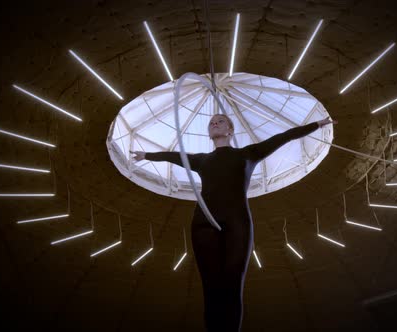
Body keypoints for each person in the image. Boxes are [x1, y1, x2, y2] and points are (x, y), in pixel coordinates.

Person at [130, 114, 335, 332]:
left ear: (230, 130)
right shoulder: (201, 159)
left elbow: (283, 137)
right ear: (209, 133)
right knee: (211, 289)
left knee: (232, 286)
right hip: (203, 223)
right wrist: (147, 155)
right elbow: (175, 156)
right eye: (211, 123)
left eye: (220, 121)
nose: (214, 123)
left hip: (237, 222)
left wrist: (317, 124)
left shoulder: (249, 153)